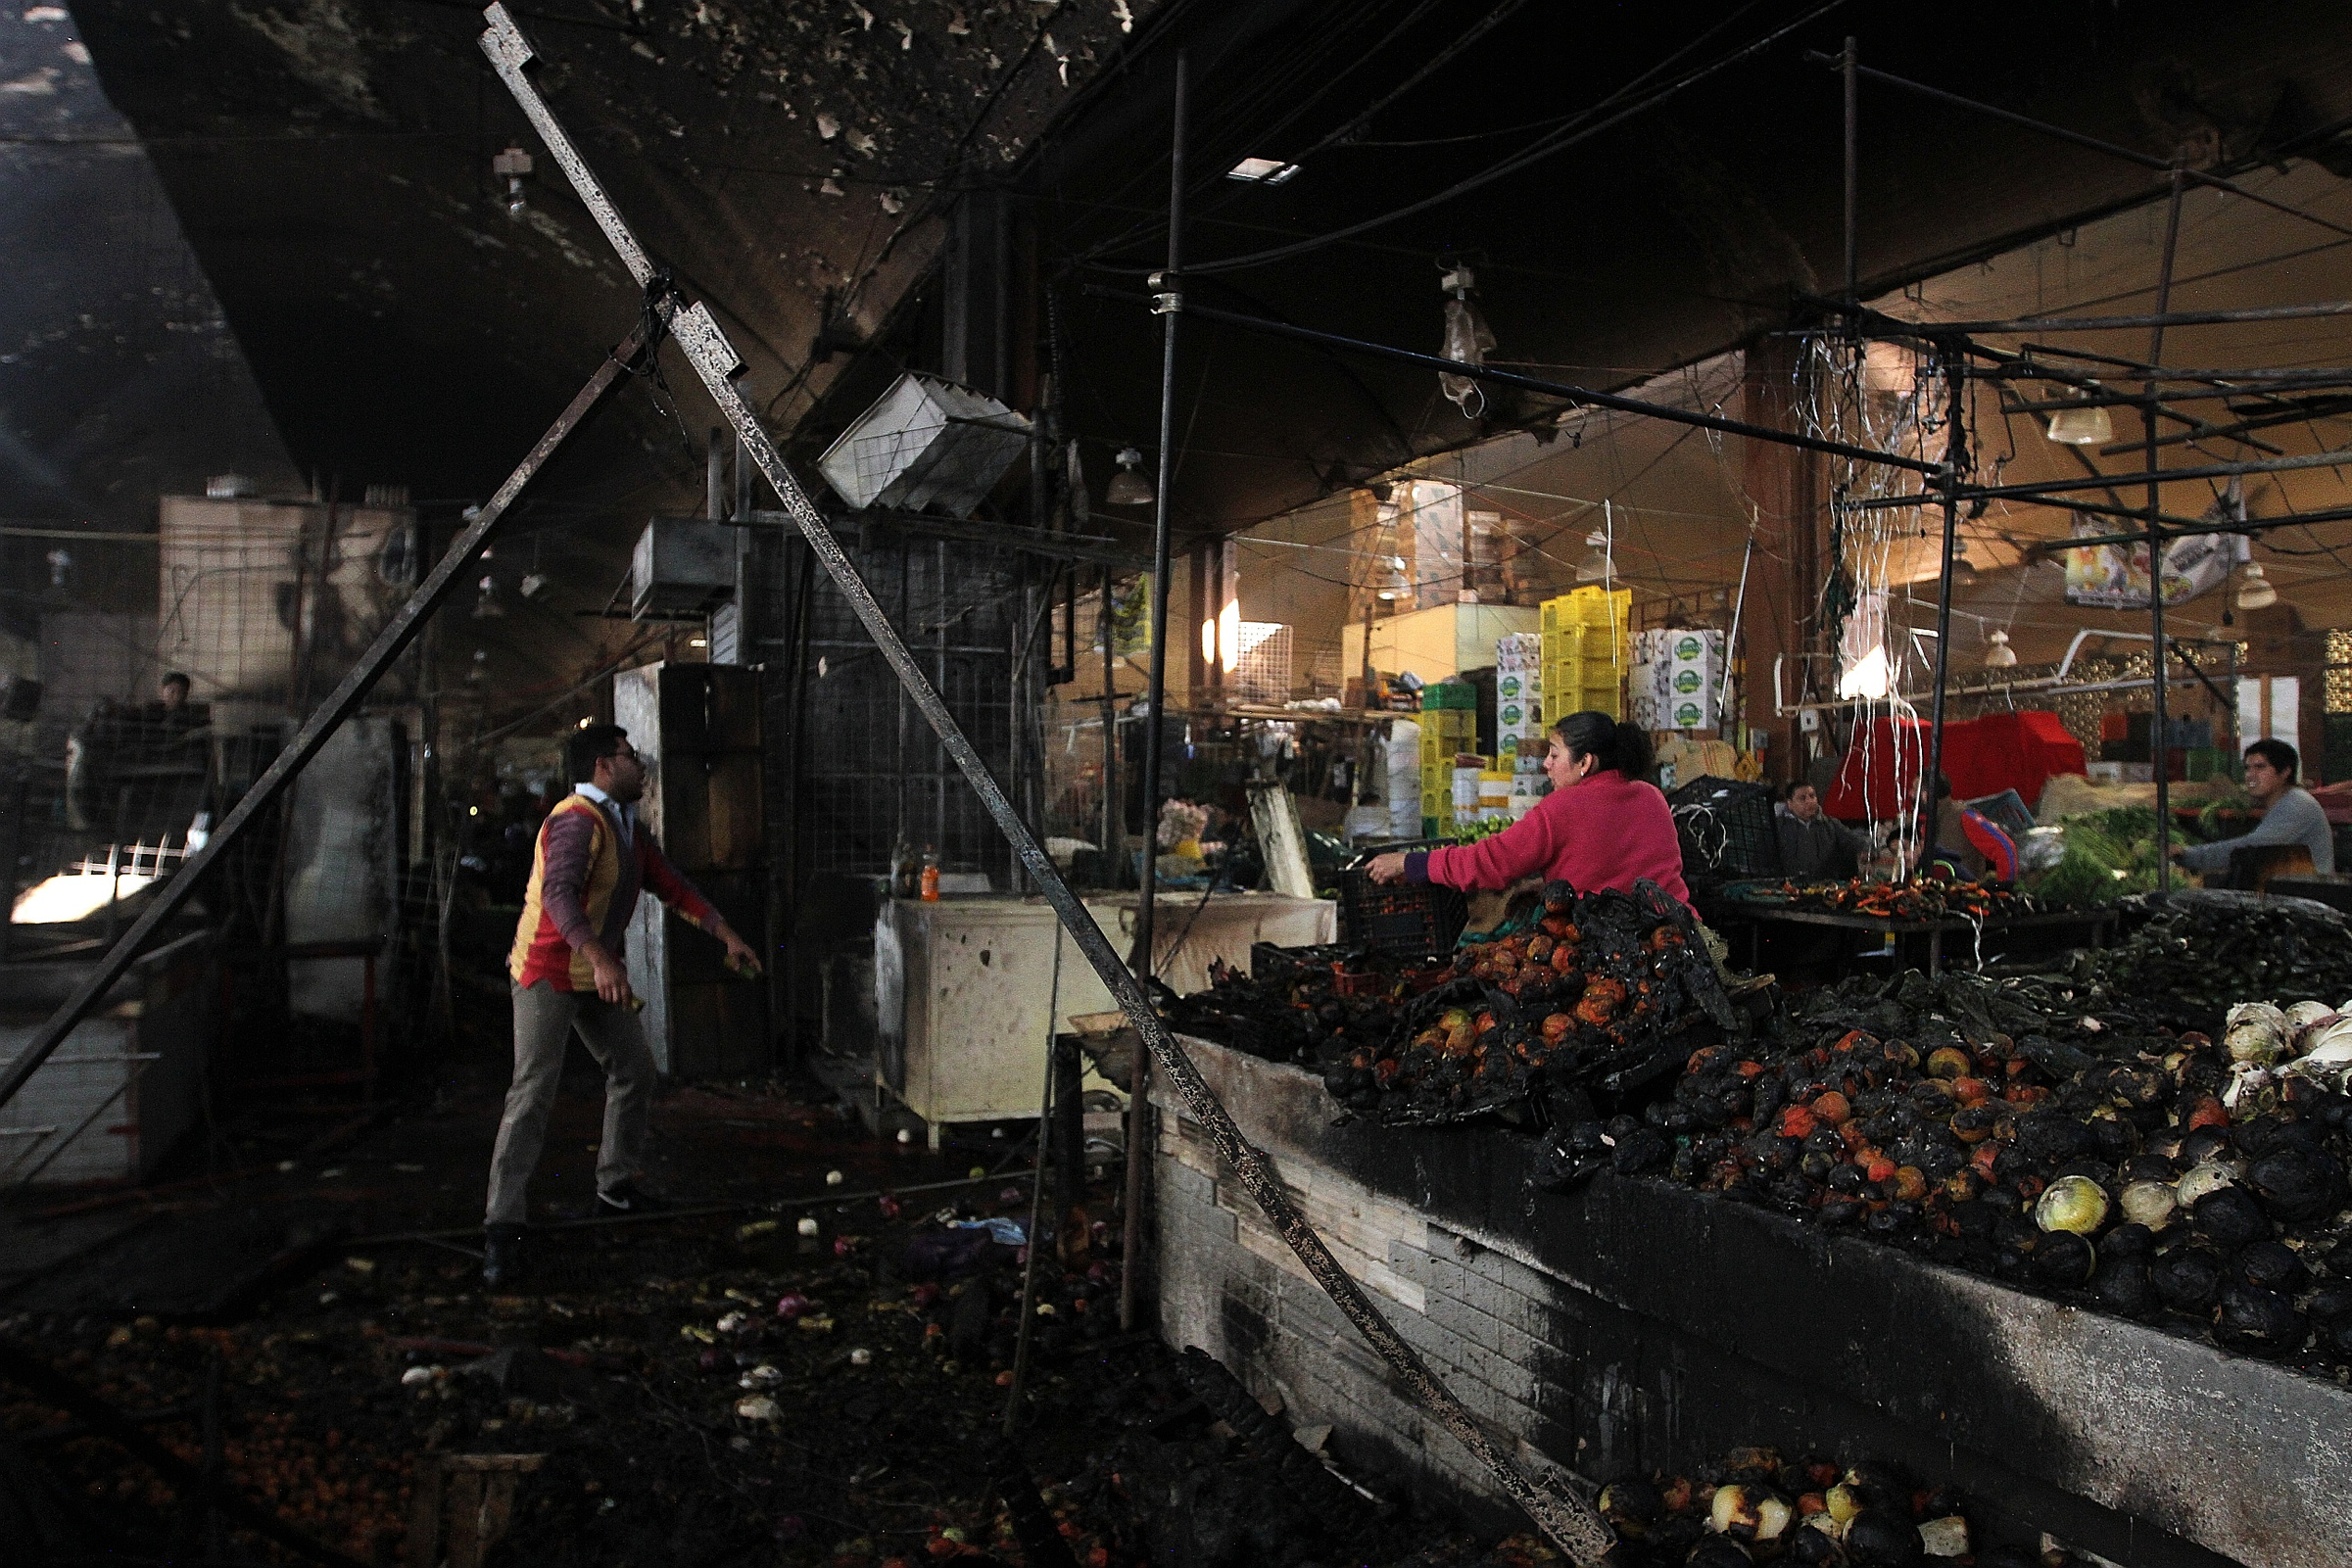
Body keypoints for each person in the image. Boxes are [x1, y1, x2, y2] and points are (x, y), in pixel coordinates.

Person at [484, 723, 758, 1286]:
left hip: (595, 971)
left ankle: (614, 1188)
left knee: (634, 1071)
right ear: (603, 766)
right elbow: (558, 895)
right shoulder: (575, 820)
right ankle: (501, 1227)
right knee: (532, 1092)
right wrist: (601, 960)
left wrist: (725, 932)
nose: (640, 764)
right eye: (630, 756)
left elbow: (671, 884)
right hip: (548, 970)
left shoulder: (625, 825)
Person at [1366, 710, 1689, 907]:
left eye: (1554, 755)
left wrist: (1410, 863)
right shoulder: (1651, 795)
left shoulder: (1562, 806)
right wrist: (1546, 885)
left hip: (1610, 946)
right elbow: (1615, 868)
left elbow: (1490, 862)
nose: (1546, 764)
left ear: (1585, 762)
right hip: (1676, 935)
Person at [2176, 737, 2334, 878]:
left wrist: (2187, 854)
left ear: (2285, 772)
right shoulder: (2282, 802)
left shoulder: (2297, 804)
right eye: (2247, 768)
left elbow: (2254, 847)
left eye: (2260, 767)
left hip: (2309, 894)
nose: (2250, 775)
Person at [1775, 781, 1867, 880]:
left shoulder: (1830, 824)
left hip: (1826, 885)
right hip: (1788, 885)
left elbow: (1854, 841)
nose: (1809, 801)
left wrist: (1865, 851)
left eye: (1812, 796)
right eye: (1802, 798)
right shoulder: (1778, 826)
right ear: (1790, 804)